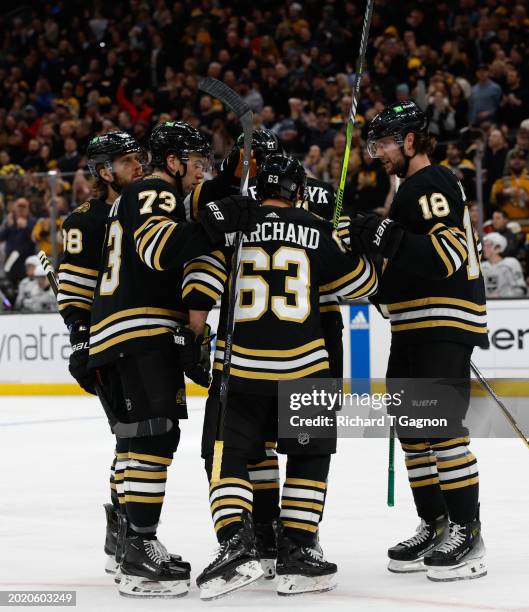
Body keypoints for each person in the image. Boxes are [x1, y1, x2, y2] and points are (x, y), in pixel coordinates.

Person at [185, 154, 378, 599]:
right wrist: (358, 239)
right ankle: (297, 549)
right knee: (309, 459)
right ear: (299, 189)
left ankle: (238, 542)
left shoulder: (235, 221)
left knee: (229, 453)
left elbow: (200, 280)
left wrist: (195, 335)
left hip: (242, 365)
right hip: (304, 365)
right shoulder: (315, 228)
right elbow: (360, 285)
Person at [88, 121, 258, 598]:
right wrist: (216, 223)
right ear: (172, 162)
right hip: (139, 330)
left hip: (121, 333)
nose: (200, 170)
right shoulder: (155, 191)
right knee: (154, 437)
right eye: (195, 162)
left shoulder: (143, 193)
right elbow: (159, 248)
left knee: (137, 440)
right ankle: (141, 549)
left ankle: (128, 542)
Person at [349, 100, 488, 581]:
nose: (377, 152)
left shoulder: (432, 182)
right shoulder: (409, 189)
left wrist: (381, 232)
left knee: (443, 428)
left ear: (410, 141)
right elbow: (403, 266)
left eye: (385, 143)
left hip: (440, 322)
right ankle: (436, 522)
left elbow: (447, 255)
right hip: (412, 325)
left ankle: (468, 532)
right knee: (413, 432)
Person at [57, 131, 145, 577]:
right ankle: (127, 530)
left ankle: (123, 528)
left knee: (135, 439)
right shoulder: (85, 219)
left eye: (138, 158)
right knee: (132, 439)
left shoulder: (147, 209)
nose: (139, 166)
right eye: (128, 161)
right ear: (104, 171)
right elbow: (73, 292)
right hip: (109, 342)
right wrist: (80, 341)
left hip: (145, 341)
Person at [481, 232, 527, 297]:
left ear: (497, 247)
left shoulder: (511, 264)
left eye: (487, 245)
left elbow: (521, 289)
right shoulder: (482, 266)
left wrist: (502, 296)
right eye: (484, 245)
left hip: (508, 305)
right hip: (487, 306)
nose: (484, 248)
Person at [490, 148, 529, 220]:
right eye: (513, 158)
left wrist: (527, 199)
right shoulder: (500, 182)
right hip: (508, 226)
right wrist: (504, 193)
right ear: (508, 161)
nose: (517, 161)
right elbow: (493, 204)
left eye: (520, 158)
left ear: (525, 162)